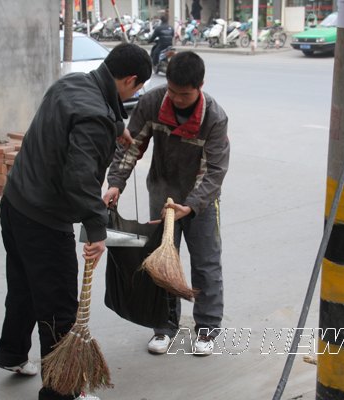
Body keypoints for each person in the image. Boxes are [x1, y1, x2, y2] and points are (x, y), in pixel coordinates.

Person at [0, 43, 152, 400]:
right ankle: (61, 393)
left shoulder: (72, 83)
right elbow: (79, 180)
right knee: (59, 307)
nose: (136, 92)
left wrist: (117, 126)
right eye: (138, 87)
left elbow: (86, 115)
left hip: (15, 202)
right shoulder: (95, 118)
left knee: (23, 286)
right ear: (130, 80)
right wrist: (96, 229)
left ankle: (12, 355)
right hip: (45, 220)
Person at [103, 51, 230, 356]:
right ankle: (164, 326)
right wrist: (116, 182)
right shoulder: (152, 102)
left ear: (200, 87)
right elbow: (130, 146)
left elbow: (214, 170)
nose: (176, 99)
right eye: (172, 91)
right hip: (162, 194)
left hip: (201, 202)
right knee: (161, 263)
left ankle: (207, 328)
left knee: (206, 264)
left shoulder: (214, 117)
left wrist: (191, 204)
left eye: (184, 94)